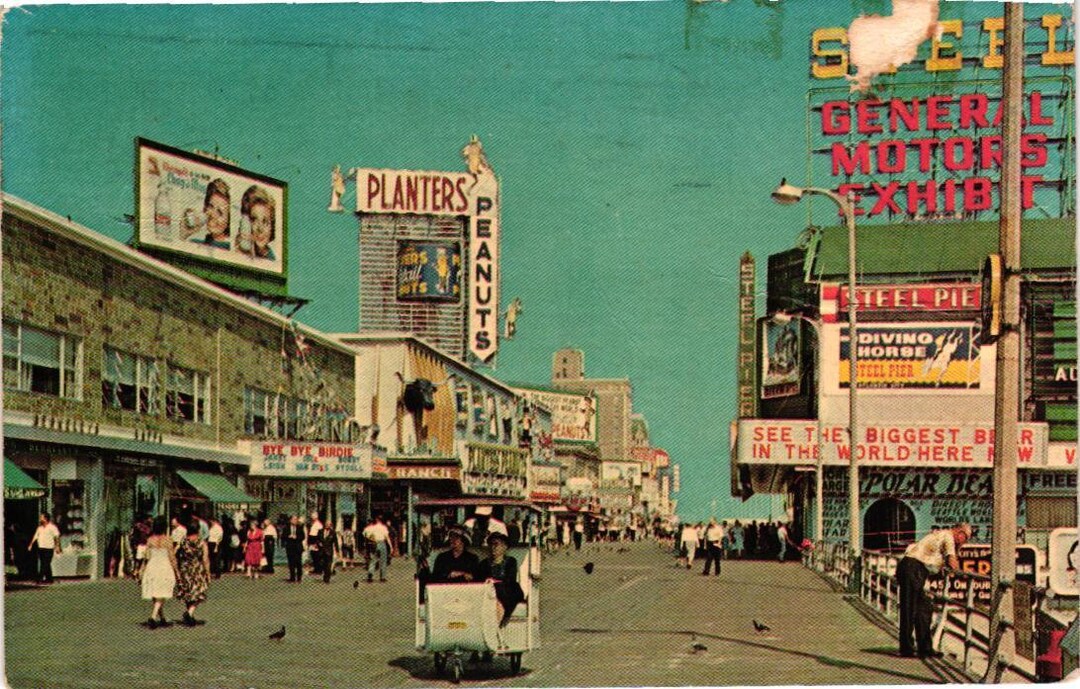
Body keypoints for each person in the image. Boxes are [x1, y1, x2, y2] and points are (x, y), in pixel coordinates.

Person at [897, 523, 971, 659]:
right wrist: (963, 574)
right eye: (966, 538)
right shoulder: (948, 537)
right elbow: (952, 561)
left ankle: (924, 647)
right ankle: (906, 648)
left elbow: (935, 559)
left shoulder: (941, 536)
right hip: (913, 568)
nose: (965, 542)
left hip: (913, 568)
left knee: (924, 607)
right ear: (960, 533)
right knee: (910, 608)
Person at [478, 532, 525, 627]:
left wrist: (495, 581)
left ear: (505, 547)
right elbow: (480, 579)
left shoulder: (511, 561)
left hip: (508, 591)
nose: (493, 547)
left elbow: (510, 579)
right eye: (491, 544)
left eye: (496, 544)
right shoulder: (484, 563)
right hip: (489, 592)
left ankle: (505, 615)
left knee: (505, 588)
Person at [141, 516, 179, 629]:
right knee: (162, 591)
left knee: (156, 591)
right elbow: (172, 557)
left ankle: (162, 617)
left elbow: (146, 556)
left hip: (152, 566)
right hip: (164, 566)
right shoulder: (168, 540)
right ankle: (153, 617)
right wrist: (177, 571)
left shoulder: (150, 539)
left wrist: (141, 569)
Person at [174, 521, 211, 626]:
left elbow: (175, 553)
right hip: (197, 569)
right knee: (198, 593)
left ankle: (190, 615)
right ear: (198, 530)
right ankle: (189, 613)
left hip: (185, 569)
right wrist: (207, 573)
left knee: (188, 593)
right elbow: (205, 559)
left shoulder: (183, 541)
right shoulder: (202, 542)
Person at [183, 178, 231, 249]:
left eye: (220, 212)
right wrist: (185, 235)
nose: (213, 215)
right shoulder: (195, 242)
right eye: (210, 206)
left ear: (229, 220)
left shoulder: (231, 249)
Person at [236, 184, 276, 260]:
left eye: (265, 222)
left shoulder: (271, 260)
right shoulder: (238, 248)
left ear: (272, 226)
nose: (260, 229)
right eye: (254, 220)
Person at [28, 513, 61, 584]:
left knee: (45, 564)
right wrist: (31, 544)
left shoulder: (52, 527)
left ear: (46, 519)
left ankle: (39, 578)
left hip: (49, 548)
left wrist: (57, 547)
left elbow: (56, 537)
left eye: (41, 517)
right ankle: (49, 579)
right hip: (41, 548)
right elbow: (35, 536)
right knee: (45, 563)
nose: (40, 519)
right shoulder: (39, 528)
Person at [363, 514, 390, 583]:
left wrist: (372, 540)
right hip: (382, 543)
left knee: (373, 560)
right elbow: (387, 537)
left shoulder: (372, 528)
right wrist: (391, 546)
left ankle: (370, 575)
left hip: (374, 543)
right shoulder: (384, 527)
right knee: (383, 561)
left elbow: (367, 536)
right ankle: (382, 577)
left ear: (376, 520)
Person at [283, 515, 305, 583]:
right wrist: (288, 536)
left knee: (298, 563)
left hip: (298, 547)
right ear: (290, 520)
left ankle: (299, 578)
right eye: (293, 519)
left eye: (296, 519)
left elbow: (303, 536)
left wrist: (296, 537)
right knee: (291, 563)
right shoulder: (286, 527)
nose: (295, 521)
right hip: (290, 547)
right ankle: (292, 577)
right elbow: (283, 536)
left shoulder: (300, 527)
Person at [320, 519, 338, 583]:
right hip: (321, 551)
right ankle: (325, 575)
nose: (327, 525)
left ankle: (327, 578)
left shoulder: (333, 532)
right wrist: (318, 543)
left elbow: (335, 542)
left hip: (329, 551)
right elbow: (317, 539)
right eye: (326, 524)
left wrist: (337, 551)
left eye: (329, 524)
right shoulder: (321, 531)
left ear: (331, 525)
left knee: (328, 565)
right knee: (323, 564)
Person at [308, 512, 324, 577]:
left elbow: (320, 535)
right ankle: (315, 569)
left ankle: (319, 570)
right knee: (313, 556)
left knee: (317, 557)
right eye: (312, 516)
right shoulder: (313, 523)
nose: (312, 517)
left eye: (313, 516)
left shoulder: (319, 524)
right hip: (312, 542)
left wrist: (317, 543)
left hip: (315, 542)